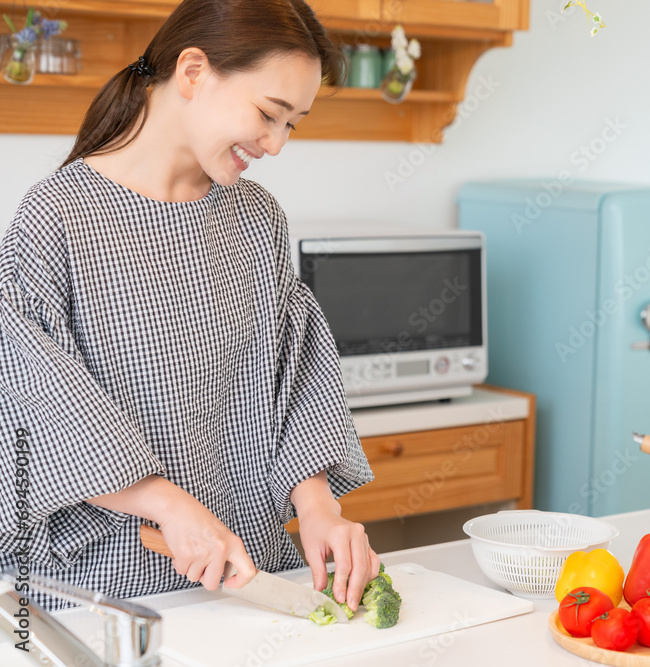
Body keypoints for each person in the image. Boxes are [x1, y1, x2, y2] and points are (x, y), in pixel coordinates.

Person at [0, 0, 379, 612]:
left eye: (293, 124)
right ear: (194, 71)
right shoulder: (56, 219)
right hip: (114, 592)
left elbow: (293, 379)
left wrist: (318, 509)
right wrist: (169, 506)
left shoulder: (257, 220)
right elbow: (36, 408)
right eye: (269, 114)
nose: (277, 144)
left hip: (257, 581)